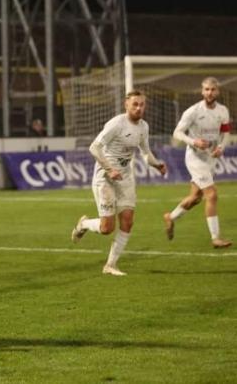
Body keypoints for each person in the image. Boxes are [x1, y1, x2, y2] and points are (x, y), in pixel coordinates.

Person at [71, 90, 167, 276]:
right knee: (107, 228)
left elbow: (146, 153)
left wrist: (157, 165)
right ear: (126, 105)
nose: (139, 108)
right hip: (105, 177)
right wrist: (109, 169)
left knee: (128, 221)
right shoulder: (116, 124)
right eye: (135, 104)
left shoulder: (143, 127)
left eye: (142, 105)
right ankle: (83, 225)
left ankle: (110, 265)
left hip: (125, 177)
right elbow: (94, 147)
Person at [163, 77, 232, 248]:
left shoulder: (223, 111)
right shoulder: (193, 111)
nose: (209, 93)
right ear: (202, 91)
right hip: (195, 158)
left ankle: (170, 217)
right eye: (206, 89)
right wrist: (194, 142)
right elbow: (177, 133)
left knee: (195, 198)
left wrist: (221, 148)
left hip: (210, 158)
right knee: (212, 195)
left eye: (212, 89)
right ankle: (215, 238)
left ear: (218, 91)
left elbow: (226, 133)